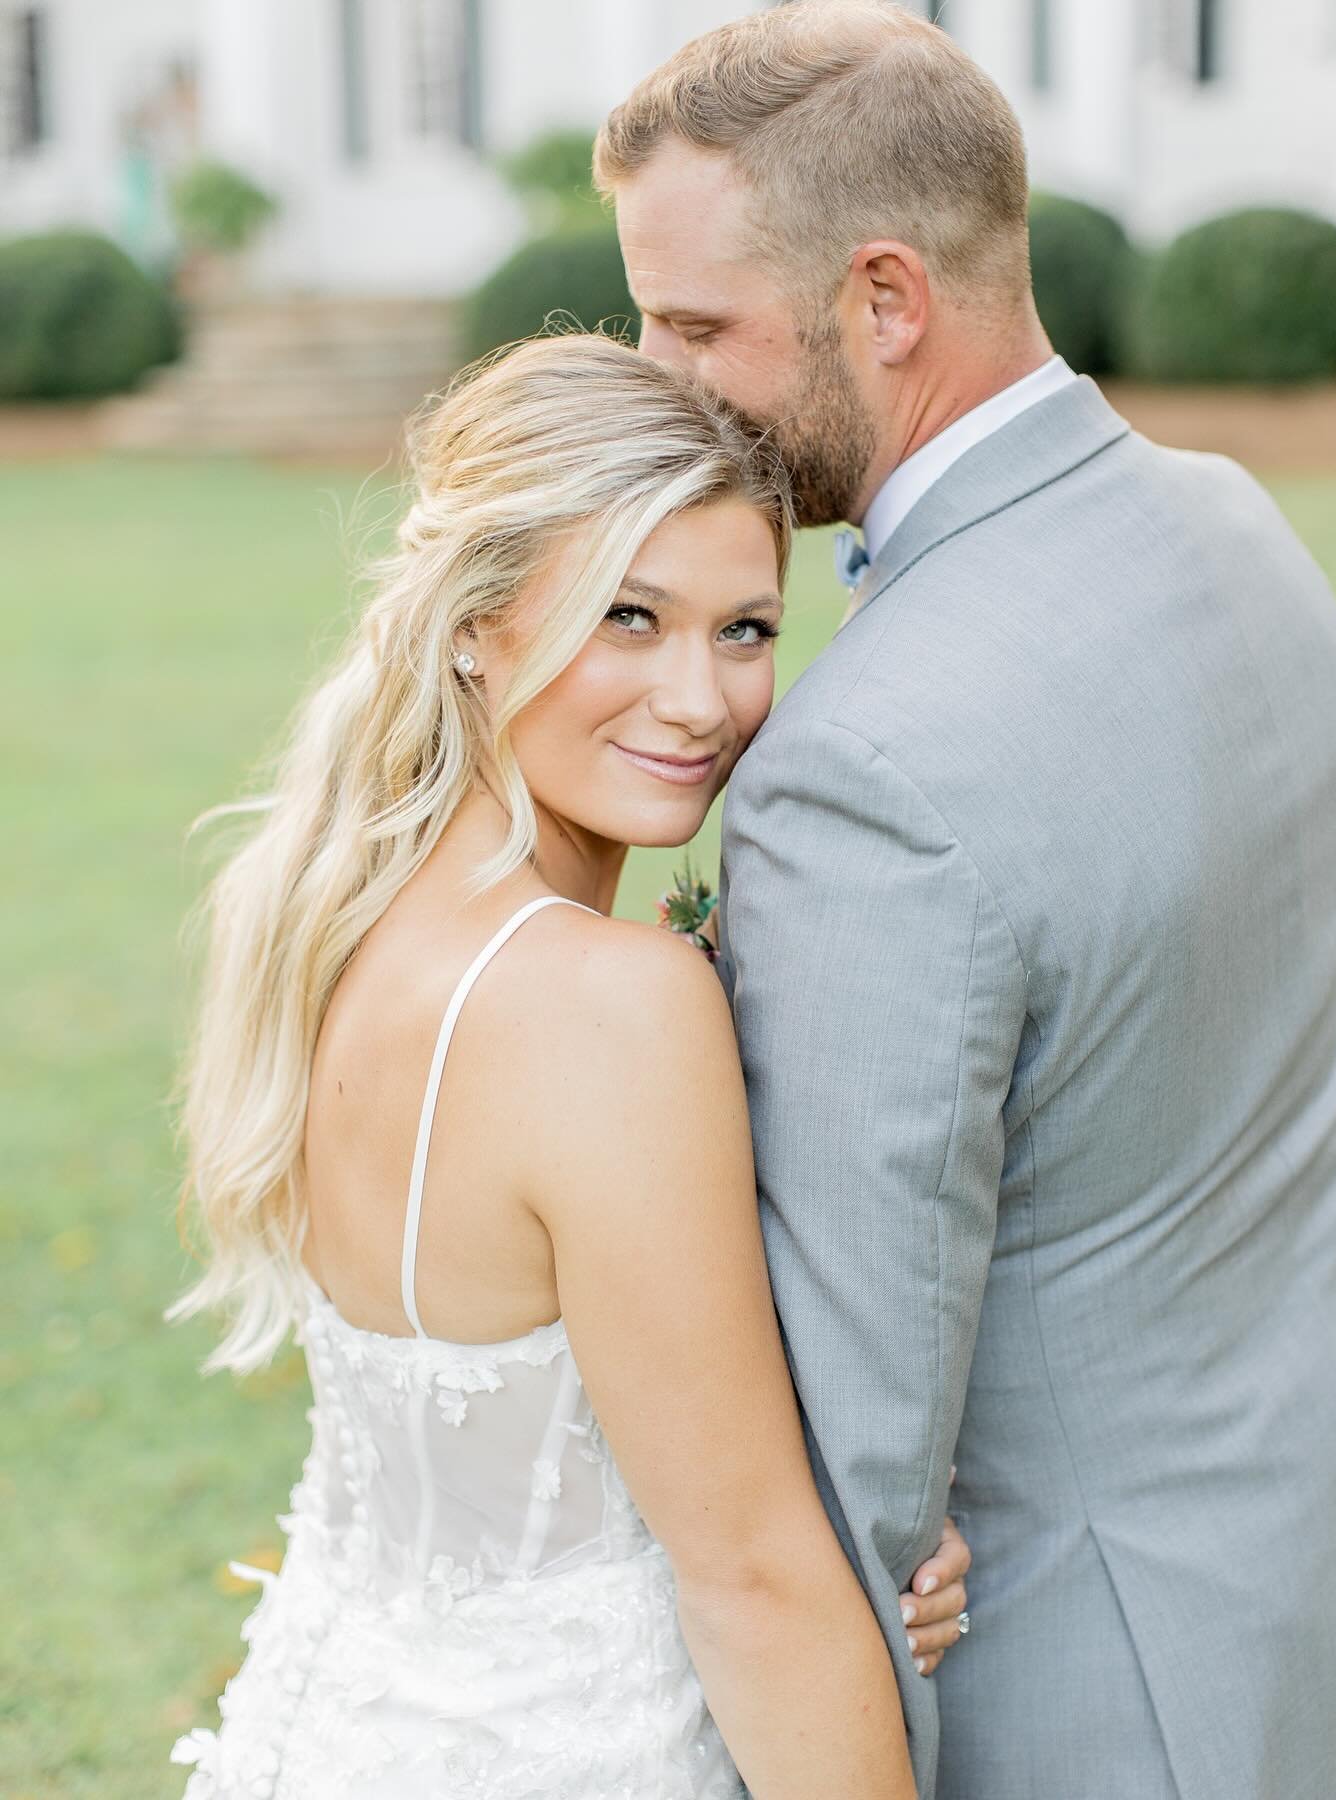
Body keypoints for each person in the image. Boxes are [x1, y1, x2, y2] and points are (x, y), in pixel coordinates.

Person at [595, 4, 1336, 1797]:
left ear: (886, 300)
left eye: (694, 328)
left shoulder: (863, 768)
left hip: (1085, 1691)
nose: (656, 382)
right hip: (1311, 1575)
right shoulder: (1237, 529)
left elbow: (859, 1408)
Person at [165, 334, 972, 1799]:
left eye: (744, 630)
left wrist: (869, 1522)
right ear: (477, 620)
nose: (699, 700)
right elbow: (750, 1579)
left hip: (333, 1733)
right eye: (629, 616)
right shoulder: (610, 1008)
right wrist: (828, 1570)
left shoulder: (333, 922)